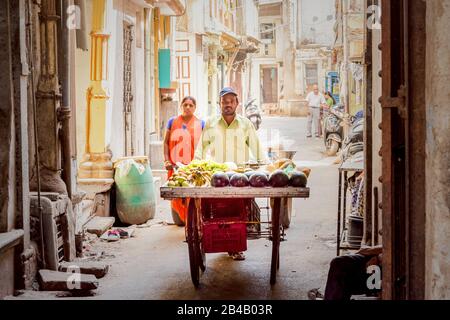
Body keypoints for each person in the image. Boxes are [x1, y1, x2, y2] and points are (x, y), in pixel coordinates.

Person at [195, 87, 267, 260]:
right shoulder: (211, 123)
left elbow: (258, 150)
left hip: (239, 177)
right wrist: (195, 166)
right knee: (217, 209)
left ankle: (234, 245)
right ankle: (218, 238)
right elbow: (200, 149)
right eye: (224, 101)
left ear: (237, 103)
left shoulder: (246, 124)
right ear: (220, 104)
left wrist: (265, 168)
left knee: (238, 210)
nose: (227, 104)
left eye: (230, 101)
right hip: (216, 176)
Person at [164, 96, 205, 226]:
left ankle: (193, 219)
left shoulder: (201, 124)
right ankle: (180, 219)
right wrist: (166, 161)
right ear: (181, 106)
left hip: (194, 168)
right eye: (185, 104)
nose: (187, 107)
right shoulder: (172, 121)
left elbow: (205, 145)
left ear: (195, 108)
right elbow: (165, 143)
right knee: (176, 195)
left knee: (193, 196)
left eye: (190, 105)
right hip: (176, 168)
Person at [317, 246, 383, 300]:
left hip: (380, 275)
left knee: (341, 276)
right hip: (377, 262)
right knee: (338, 263)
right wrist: (375, 255)